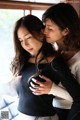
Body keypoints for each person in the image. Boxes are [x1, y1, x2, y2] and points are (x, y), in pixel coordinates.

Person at [29, 3, 80, 120]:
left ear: (66, 31)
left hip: (71, 112)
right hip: (51, 108)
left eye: (50, 28)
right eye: (45, 26)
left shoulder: (78, 59)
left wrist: (52, 89)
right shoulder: (53, 51)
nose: (44, 31)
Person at [10, 14, 60, 120]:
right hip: (20, 115)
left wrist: (53, 89)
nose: (25, 44)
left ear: (42, 34)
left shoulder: (54, 61)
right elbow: (18, 94)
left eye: (28, 37)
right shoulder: (22, 60)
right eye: (21, 40)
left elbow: (76, 96)